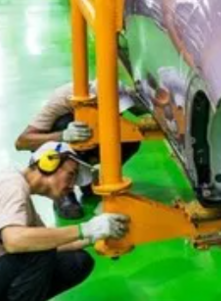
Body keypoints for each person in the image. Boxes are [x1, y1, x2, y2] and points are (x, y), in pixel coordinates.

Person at [0, 142, 129, 301]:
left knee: (77, 261)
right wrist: (85, 228)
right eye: (71, 175)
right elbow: (15, 241)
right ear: (48, 162)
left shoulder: (20, 196)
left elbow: (54, 243)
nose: (72, 186)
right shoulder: (11, 186)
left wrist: (97, 232)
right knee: (37, 250)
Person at [14, 81, 141, 219]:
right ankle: (63, 193)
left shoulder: (122, 91)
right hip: (64, 143)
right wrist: (63, 136)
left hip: (92, 135)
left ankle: (91, 179)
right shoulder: (62, 99)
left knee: (130, 137)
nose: (117, 112)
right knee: (65, 122)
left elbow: (143, 114)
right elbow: (22, 142)